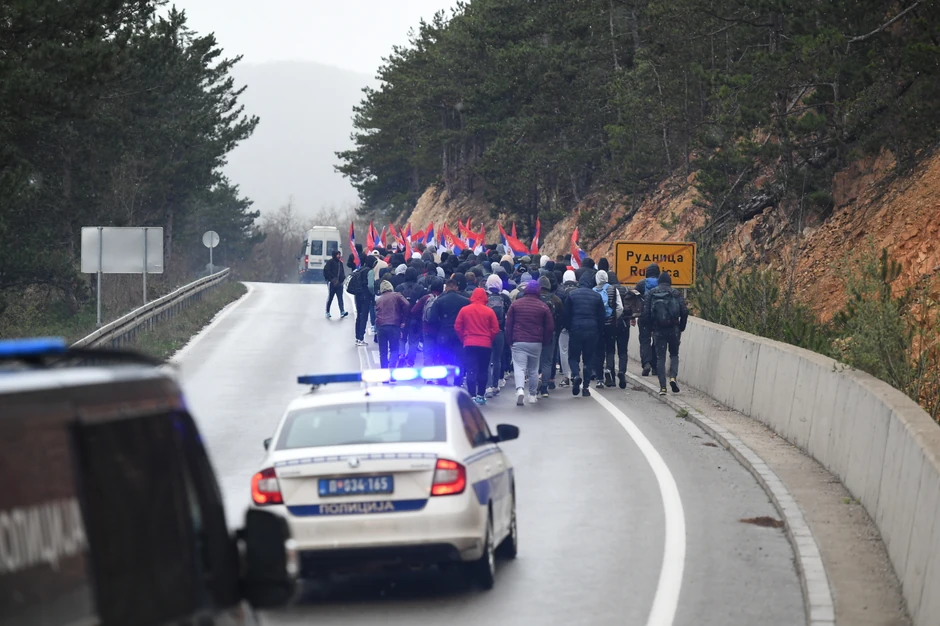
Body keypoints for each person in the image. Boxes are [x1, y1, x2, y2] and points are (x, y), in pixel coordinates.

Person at [505, 280, 554, 406]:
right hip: (536, 341)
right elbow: (549, 326)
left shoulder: (516, 304)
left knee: (519, 367)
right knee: (533, 369)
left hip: (518, 340)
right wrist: (545, 340)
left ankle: (520, 389)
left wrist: (510, 340)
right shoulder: (543, 306)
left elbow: (509, 324)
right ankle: (532, 395)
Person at [641, 272, 689, 396]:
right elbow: (684, 311)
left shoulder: (652, 293)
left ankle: (663, 387)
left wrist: (651, 328)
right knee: (674, 354)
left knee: (660, 357)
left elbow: (645, 313)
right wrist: (681, 327)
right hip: (674, 329)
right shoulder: (675, 293)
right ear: (670, 281)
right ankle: (673, 377)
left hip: (658, 330)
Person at [455, 288, 500, 404]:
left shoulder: (464, 310)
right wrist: (489, 338)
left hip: (469, 343)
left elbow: (458, 326)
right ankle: (481, 394)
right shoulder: (489, 311)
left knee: (471, 369)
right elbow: (495, 328)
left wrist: (463, 338)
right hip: (485, 344)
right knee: (483, 370)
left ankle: (472, 395)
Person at [563, 273, 605, 397]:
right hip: (592, 330)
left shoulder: (572, 295)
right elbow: (601, 316)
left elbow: (567, 314)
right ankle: (586, 387)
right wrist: (599, 330)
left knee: (573, 357)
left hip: (576, 329)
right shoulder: (597, 296)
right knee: (589, 358)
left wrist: (569, 327)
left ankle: (576, 375)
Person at [427, 277, 470, 385]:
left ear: (445, 288)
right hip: (459, 334)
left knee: (442, 357)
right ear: (456, 287)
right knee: (459, 358)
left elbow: (432, 319)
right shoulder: (465, 301)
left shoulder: (439, 301)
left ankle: (443, 380)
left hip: (443, 333)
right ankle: (458, 381)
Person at [593, 270, 623, 388]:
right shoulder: (613, 289)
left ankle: (599, 379)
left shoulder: (593, 291)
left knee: (599, 351)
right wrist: (614, 317)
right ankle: (609, 370)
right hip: (611, 325)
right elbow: (620, 307)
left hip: (598, 326)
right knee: (610, 349)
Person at [483, 274, 512, 398]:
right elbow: (509, 315)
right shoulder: (504, 297)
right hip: (500, 331)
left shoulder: (485, 297)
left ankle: (488, 386)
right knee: (497, 359)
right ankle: (496, 384)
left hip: (486, 331)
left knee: (487, 359)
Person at [374, 280, 411, 369]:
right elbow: (407, 304)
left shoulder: (379, 299)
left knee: (383, 352)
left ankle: (385, 374)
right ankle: (391, 369)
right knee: (394, 349)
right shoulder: (397, 295)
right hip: (394, 325)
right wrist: (403, 319)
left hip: (381, 326)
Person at [537, 276, 563, 397]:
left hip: (535, 333)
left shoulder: (533, 298)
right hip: (550, 333)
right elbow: (561, 318)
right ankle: (545, 387)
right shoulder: (556, 300)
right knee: (548, 361)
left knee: (535, 360)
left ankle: (535, 381)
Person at [636, 263, 661, 376]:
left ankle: (646, 363)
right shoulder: (661, 284)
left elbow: (634, 299)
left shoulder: (641, 284)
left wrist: (634, 315)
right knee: (657, 340)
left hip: (644, 316)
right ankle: (655, 366)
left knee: (644, 340)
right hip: (659, 317)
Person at [555, 269, 579, 387]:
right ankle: (576, 373)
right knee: (575, 350)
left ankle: (566, 376)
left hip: (565, 326)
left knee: (563, 350)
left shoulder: (561, 291)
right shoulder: (579, 291)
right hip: (577, 325)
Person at [413, 278, 444, 367]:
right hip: (440, 329)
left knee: (428, 351)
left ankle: (428, 376)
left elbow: (414, 310)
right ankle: (439, 374)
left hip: (427, 328)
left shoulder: (426, 298)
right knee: (439, 351)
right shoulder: (443, 298)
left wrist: (422, 317)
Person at [350, 255, 376, 346]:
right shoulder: (370, 271)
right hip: (366, 296)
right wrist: (373, 293)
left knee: (359, 317)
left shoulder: (360, 269)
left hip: (358, 295)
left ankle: (357, 337)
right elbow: (371, 286)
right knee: (364, 317)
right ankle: (361, 338)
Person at [323, 249, 348, 319]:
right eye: (337, 254)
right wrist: (331, 279)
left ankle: (342, 311)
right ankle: (327, 311)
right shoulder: (330, 262)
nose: (339, 256)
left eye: (339, 254)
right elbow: (326, 271)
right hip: (332, 283)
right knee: (330, 297)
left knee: (340, 298)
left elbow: (342, 272)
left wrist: (342, 279)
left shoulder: (340, 263)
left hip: (339, 283)